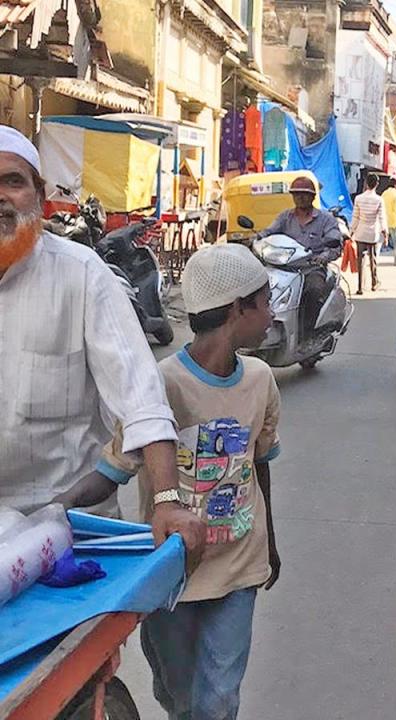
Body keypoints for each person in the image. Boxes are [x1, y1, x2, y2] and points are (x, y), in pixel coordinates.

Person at [58, 244, 282, 720]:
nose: (272, 312)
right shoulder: (159, 385)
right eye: (265, 301)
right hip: (172, 576)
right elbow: (109, 472)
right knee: (179, 697)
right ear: (239, 307)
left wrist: (271, 545)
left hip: (240, 566)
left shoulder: (261, 379)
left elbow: (259, 463)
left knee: (218, 699)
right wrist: (51, 512)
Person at [0, 125, 205, 556]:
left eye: (12, 182)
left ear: (39, 196)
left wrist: (167, 500)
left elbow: (141, 399)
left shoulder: (82, 274)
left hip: (66, 527)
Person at [260, 176, 342, 335]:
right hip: (283, 268)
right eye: (296, 194)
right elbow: (269, 231)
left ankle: (308, 332)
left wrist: (323, 257)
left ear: (312, 196)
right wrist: (256, 239)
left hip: (311, 268)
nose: (300, 197)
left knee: (313, 291)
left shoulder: (326, 219)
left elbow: (335, 245)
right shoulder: (285, 217)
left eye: (304, 194)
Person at [350, 173, 387, 294]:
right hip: (373, 234)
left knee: (360, 260)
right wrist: (385, 233)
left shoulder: (358, 198)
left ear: (366, 183)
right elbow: (382, 218)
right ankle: (374, 283)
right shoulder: (379, 200)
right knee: (373, 259)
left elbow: (355, 217)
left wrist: (351, 231)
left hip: (360, 233)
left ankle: (360, 287)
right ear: (376, 184)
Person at [381, 177, 396, 267]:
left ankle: (375, 258)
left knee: (380, 242)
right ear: (395, 185)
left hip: (385, 221)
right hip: (394, 222)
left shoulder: (384, 194)